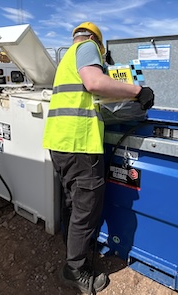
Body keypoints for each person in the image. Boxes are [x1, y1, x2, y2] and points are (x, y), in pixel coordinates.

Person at [43, 21, 154, 293]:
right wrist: (138, 91)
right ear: (97, 42)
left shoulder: (67, 58)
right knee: (86, 207)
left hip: (59, 142)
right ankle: (76, 269)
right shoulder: (88, 46)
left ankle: (73, 249)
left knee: (73, 202)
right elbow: (94, 83)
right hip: (80, 143)